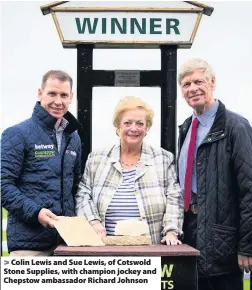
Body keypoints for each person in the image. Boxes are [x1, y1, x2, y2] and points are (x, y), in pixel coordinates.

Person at [177, 58, 252, 290]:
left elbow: (249, 189)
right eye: (186, 84)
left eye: (198, 81)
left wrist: (247, 246)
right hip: (190, 235)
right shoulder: (186, 128)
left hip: (224, 245)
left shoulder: (236, 127)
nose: (192, 89)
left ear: (212, 82)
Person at [75, 96, 183, 245]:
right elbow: (83, 194)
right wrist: (93, 222)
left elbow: (174, 198)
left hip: (151, 248)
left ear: (147, 128)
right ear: (118, 127)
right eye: (127, 123)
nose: (134, 128)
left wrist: (171, 232)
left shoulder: (163, 159)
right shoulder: (97, 158)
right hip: (105, 248)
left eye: (140, 123)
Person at [1, 70, 82, 256]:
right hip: (29, 246)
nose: (58, 101)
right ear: (40, 93)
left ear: (71, 97)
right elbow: (3, 185)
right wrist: (36, 213)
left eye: (64, 95)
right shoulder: (16, 134)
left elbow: (75, 186)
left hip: (66, 245)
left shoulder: (74, 137)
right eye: (52, 93)